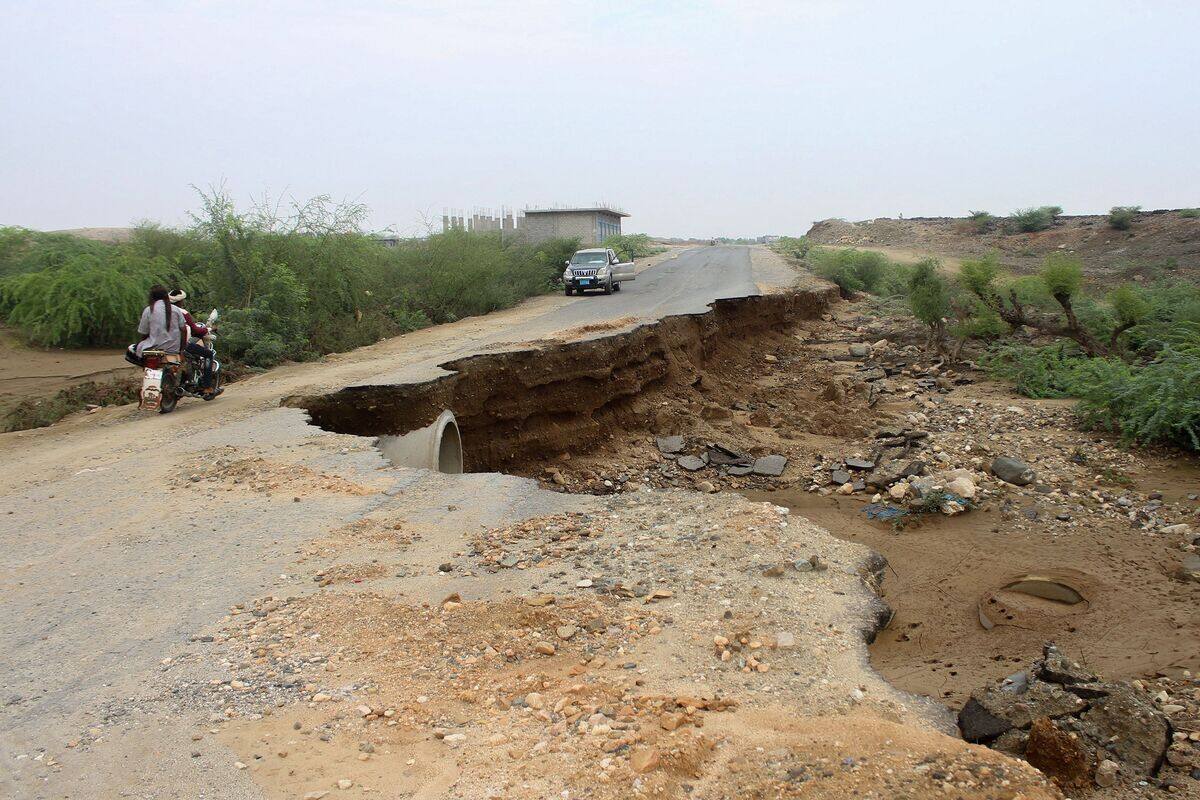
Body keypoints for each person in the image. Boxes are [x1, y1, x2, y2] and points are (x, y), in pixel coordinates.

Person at [168, 289, 221, 396]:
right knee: (208, 354)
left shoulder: (161, 311)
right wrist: (208, 329)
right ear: (180, 301)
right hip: (179, 345)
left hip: (161, 345)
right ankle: (207, 386)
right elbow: (195, 330)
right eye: (183, 300)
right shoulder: (183, 313)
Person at [126, 285, 187, 366]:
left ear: (151, 297)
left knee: (132, 348)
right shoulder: (176, 310)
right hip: (173, 350)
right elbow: (184, 330)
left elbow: (144, 333)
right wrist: (182, 349)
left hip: (153, 350)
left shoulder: (148, 310)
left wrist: (141, 345)